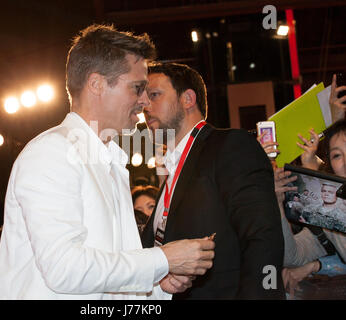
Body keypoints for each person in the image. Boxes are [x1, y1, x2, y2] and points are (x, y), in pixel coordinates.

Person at [0, 24, 215, 300]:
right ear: (96, 84)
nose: (145, 101)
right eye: (137, 88)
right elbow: (64, 269)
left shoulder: (112, 162)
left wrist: (158, 285)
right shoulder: (52, 152)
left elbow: (108, 283)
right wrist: (162, 260)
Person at [141, 62, 285, 299]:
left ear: (188, 99)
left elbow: (262, 238)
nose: (145, 105)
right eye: (144, 98)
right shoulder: (173, 169)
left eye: (154, 95)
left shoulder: (230, 145)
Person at [269, 120, 346, 298]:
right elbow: (292, 257)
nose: (345, 161)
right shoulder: (328, 211)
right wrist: (277, 204)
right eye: (336, 155)